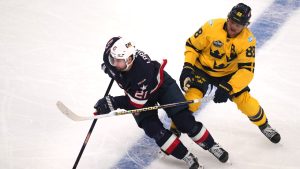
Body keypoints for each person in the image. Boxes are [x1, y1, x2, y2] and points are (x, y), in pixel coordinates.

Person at [94, 36, 229, 169]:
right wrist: (110, 69)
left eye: (118, 61)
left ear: (129, 60)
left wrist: (112, 102)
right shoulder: (111, 54)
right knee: (153, 129)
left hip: (162, 87)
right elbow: (115, 50)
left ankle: (212, 145)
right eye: (113, 60)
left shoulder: (141, 73)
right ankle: (186, 156)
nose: (114, 63)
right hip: (138, 93)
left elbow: (136, 104)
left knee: (184, 121)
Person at [172, 3, 281, 144]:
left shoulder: (248, 41)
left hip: (228, 75)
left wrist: (229, 86)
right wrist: (188, 67)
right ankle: (175, 129)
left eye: (239, 24)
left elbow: (247, 70)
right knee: (191, 100)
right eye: (233, 21)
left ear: (246, 25)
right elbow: (192, 46)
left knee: (246, 103)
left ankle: (264, 125)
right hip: (202, 69)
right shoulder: (211, 26)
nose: (234, 26)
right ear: (228, 18)